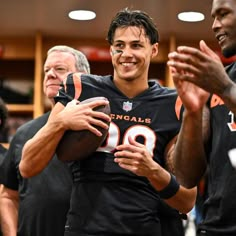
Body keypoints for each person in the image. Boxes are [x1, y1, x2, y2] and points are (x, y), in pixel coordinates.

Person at [20, 8, 197, 235]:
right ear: (110, 50)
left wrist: (153, 171)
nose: (126, 54)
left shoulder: (172, 103)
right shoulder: (81, 87)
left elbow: (187, 201)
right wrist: (60, 122)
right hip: (84, 228)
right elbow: (27, 166)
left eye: (136, 45)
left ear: (154, 50)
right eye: (119, 46)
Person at [0, 45, 90, 236]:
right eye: (47, 70)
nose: (50, 75)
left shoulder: (96, 128)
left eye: (59, 69)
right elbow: (8, 196)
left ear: (82, 77)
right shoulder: (23, 134)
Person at [167, 0, 236, 235]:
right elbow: (186, 176)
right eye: (213, 17)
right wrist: (193, 113)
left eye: (224, 14)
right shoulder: (217, 82)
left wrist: (226, 90)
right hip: (217, 227)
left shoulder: (221, 84)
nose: (215, 25)